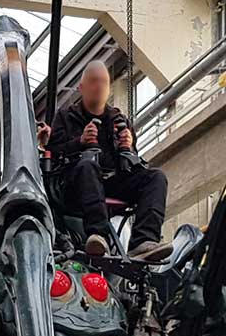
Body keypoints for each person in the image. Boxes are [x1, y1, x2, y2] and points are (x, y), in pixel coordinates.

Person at [46, 60, 170, 262]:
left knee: (156, 177)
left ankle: (143, 241)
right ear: (81, 87)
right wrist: (80, 142)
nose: (99, 87)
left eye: (103, 82)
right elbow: (52, 152)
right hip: (76, 184)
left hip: (113, 182)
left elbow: (132, 159)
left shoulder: (118, 119)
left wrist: (128, 146)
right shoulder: (65, 116)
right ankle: (98, 235)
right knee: (88, 166)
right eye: (94, 81)